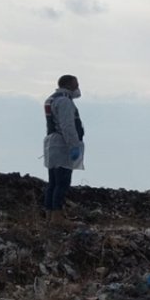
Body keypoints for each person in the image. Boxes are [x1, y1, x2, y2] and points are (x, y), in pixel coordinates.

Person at [42, 74, 85, 222]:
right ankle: (57, 217)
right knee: (62, 183)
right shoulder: (64, 101)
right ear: (68, 85)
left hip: (52, 144)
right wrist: (74, 146)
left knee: (53, 183)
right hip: (62, 145)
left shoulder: (51, 99)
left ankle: (49, 215)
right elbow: (68, 126)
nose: (78, 88)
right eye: (76, 84)